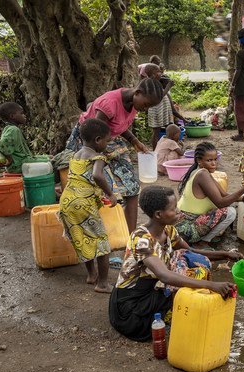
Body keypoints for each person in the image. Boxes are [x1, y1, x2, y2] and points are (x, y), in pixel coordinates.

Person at [109, 185, 239, 342]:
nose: (178, 211)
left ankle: (177, 308)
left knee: (189, 259)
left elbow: (190, 250)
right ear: (158, 214)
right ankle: (174, 313)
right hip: (132, 308)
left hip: (150, 289)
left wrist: (225, 255)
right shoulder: (141, 240)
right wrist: (211, 285)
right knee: (189, 278)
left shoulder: (168, 230)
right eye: (173, 208)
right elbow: (164, 276)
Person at [66, 78, 165, 233]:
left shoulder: (133, 104)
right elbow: (94, 136)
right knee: (93, 187)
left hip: (108, 139)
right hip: (89, 142)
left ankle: (130, 237)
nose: (145, 109)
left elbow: (119, 125)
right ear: (137, 93)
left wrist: (134, 141)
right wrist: (101, 162)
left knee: (132, 188)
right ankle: (92, 233)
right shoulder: (109, 104)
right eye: (146, 105)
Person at [58, 119, 117, 293]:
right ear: (98, 140)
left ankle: (92, 275)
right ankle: (103, 284)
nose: (107, 145)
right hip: (82, 204)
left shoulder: (76, 155)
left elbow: (79, 178)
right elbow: (97, 176)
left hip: (67, 201)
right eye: (107, 141)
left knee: (82, 238)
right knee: (101, 244)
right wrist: (110, 193)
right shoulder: (97, 157)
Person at [176, 142, 244, 245]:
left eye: (215, 159)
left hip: (181, 225)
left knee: (227, 207)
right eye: (209, 160)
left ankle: (203, 238)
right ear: (199, 161)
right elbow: (221, 202)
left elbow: (224, 194)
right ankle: (203, 242)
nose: (214, 163)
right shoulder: (202, 174)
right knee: (230, 212)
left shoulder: (201, 172)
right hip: (186, 229)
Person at [142, 63, 185, 150]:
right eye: (158, 72)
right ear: (153, 74)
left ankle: (168, 148)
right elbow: (159, 97)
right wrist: (168, 87)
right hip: (156, 112)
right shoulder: (149, 83)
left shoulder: (156, 83)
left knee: (169, 130)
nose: (161, 74)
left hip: (163, 112)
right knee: (156, 132)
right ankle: (155, 151)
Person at [0, 102, 32, 174]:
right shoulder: (13, 130)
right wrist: (10, 159)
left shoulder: (8, 128)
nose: (24, 116)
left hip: (20, 163)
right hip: (20, 165)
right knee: (50, 161)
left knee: (48, 157)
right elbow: (2, 145)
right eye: (21, 113)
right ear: (12, 116)